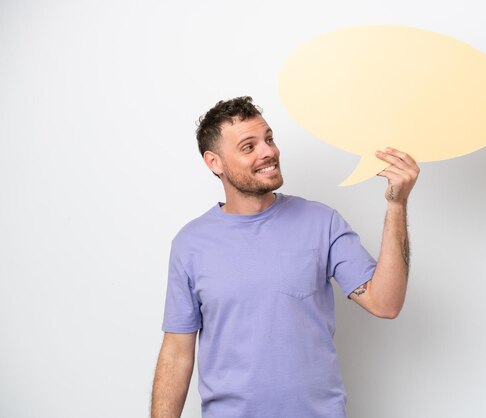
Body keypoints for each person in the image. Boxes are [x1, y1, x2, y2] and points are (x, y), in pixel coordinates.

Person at [151, 96, 420, 418]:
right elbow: (177, 352)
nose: (268, 152)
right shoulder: (191, 243)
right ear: (214, 162)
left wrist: (397, 204)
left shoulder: (322, 222)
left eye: (269, 139)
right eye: (248, 147)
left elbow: (385, 303)